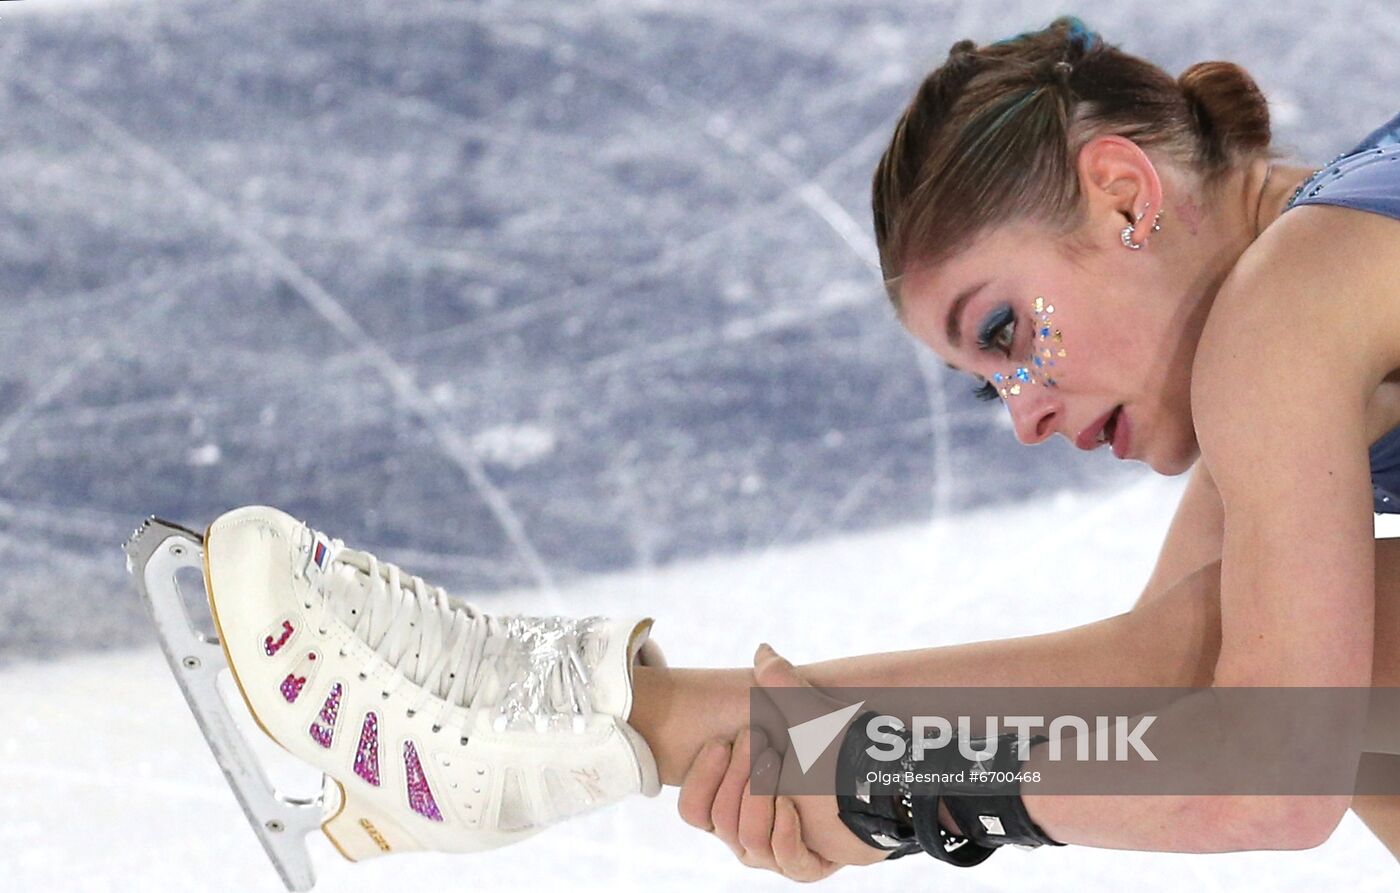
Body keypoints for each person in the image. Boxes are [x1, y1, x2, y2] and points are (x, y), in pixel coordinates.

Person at [186, 15, 1400, 882]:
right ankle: (566, 729)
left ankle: (577, 733)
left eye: (1003, 329)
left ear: (1123, 194)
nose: (1027, 411)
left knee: (1360, 660)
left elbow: (1267, 779)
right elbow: (1159, 685)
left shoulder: (1278, 316)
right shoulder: (1317, 288)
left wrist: (901, 789)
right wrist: (833, 760)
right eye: (986, 383)